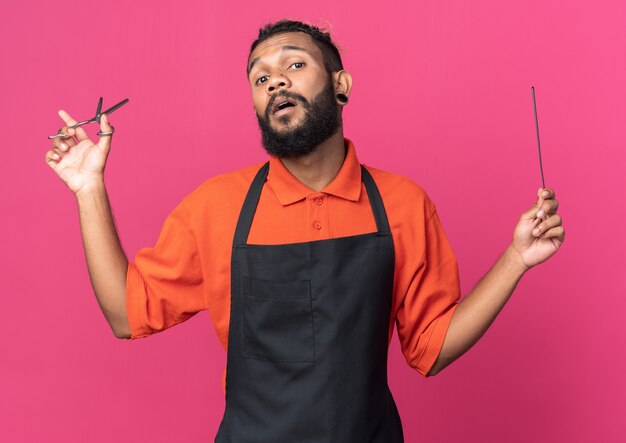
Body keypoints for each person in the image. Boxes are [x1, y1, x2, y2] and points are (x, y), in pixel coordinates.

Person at [44, 19, 565, 443]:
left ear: (341, 85)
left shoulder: (403, 203)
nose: (276, 81)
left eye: (294, 63)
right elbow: (124, 313)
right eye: (260, 77)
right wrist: (89, 189)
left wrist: (515, 259)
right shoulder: (217, 206)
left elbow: (431, 350)